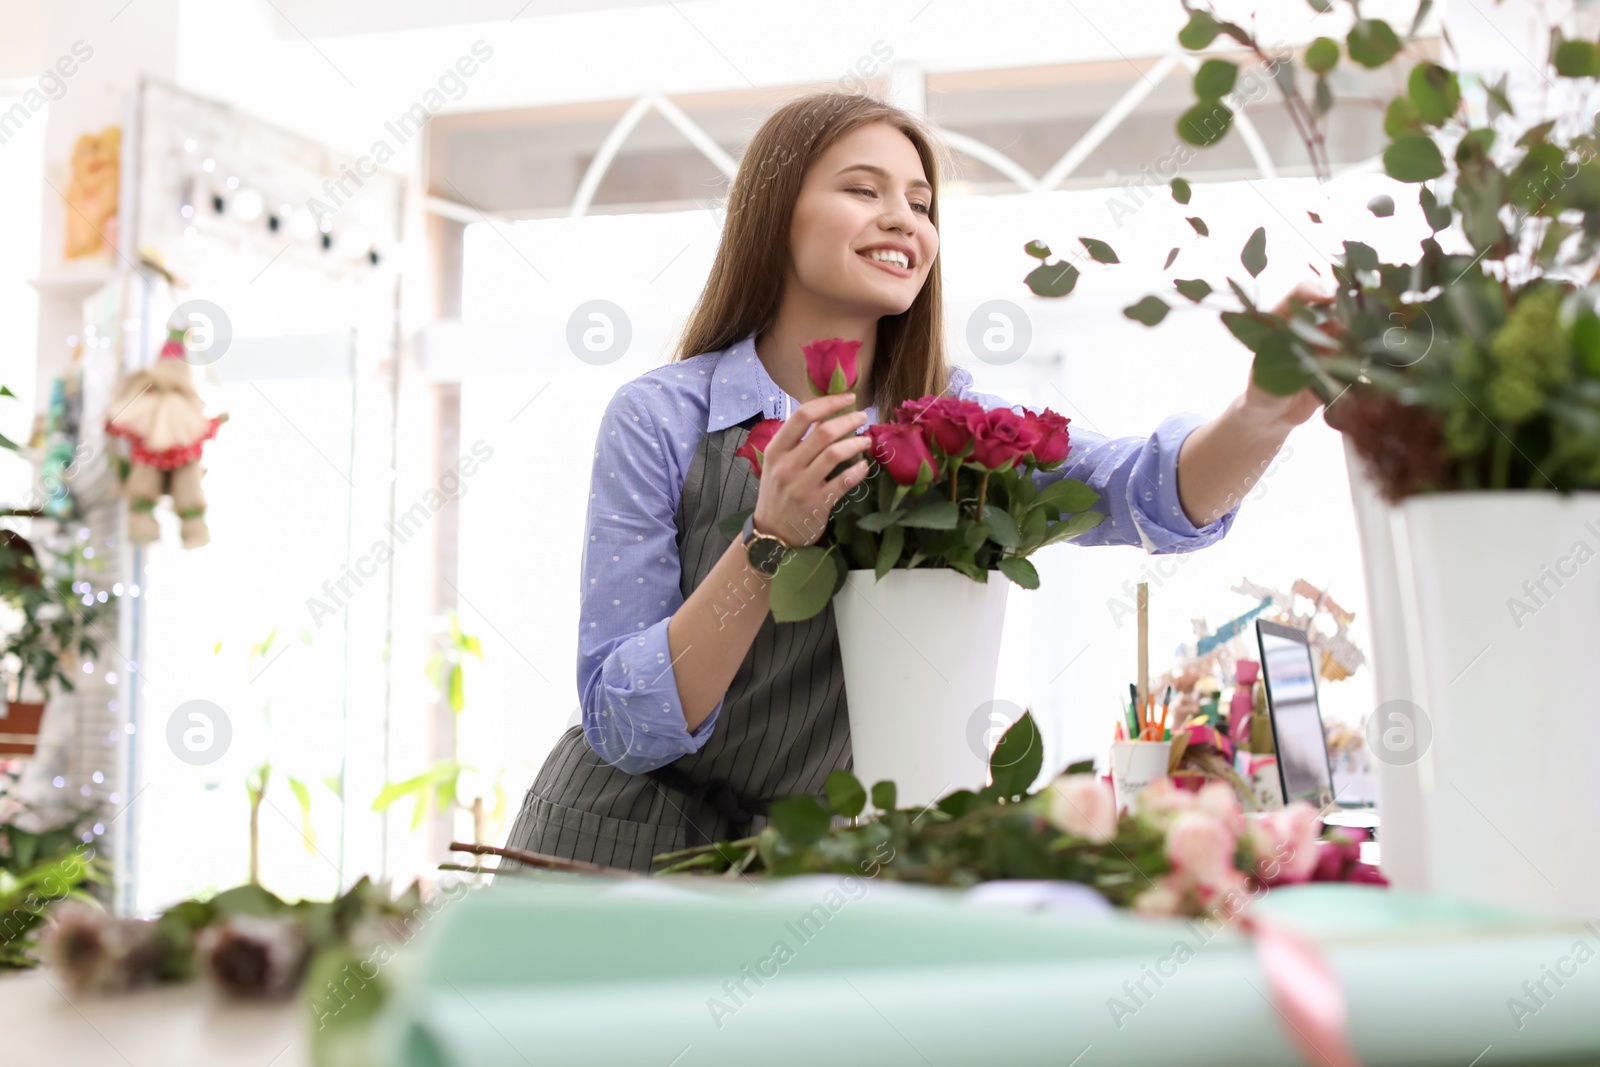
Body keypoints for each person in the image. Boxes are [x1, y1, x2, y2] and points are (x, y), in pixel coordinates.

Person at [501, 91, 1324, 873]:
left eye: (922, 204)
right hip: (607, 851)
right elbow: (623, 720)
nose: (904, 219)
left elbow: (1134, 490)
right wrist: (767, 542)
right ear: (774, 214)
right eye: (864, 189)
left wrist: (1262, 417)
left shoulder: (956, 428)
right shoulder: (661, 418)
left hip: (796, 865)